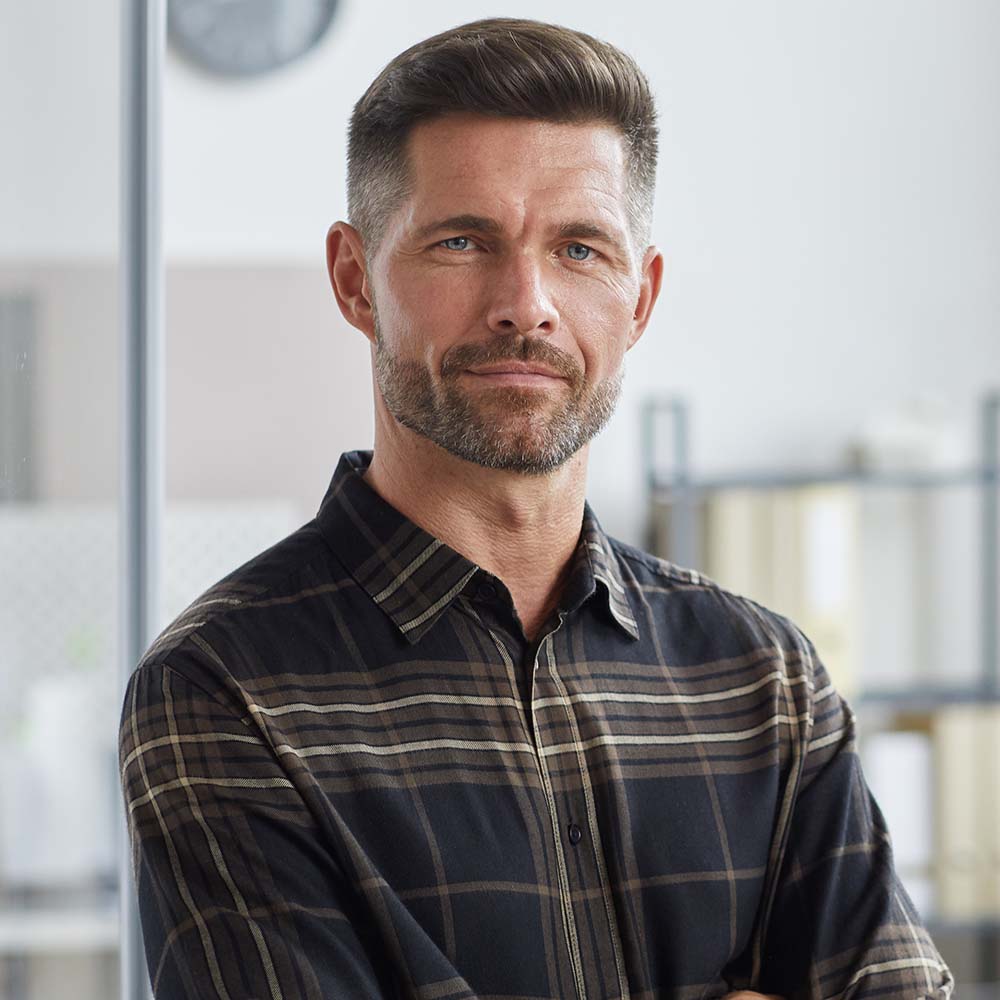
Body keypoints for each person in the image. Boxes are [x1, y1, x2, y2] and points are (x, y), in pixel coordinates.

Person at [119, 17, 953, 1000]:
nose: (525, 303)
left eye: (579, 248)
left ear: (638, 299)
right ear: (356, 281)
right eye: (462, 240)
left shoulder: (764, 679)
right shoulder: (226, 688)